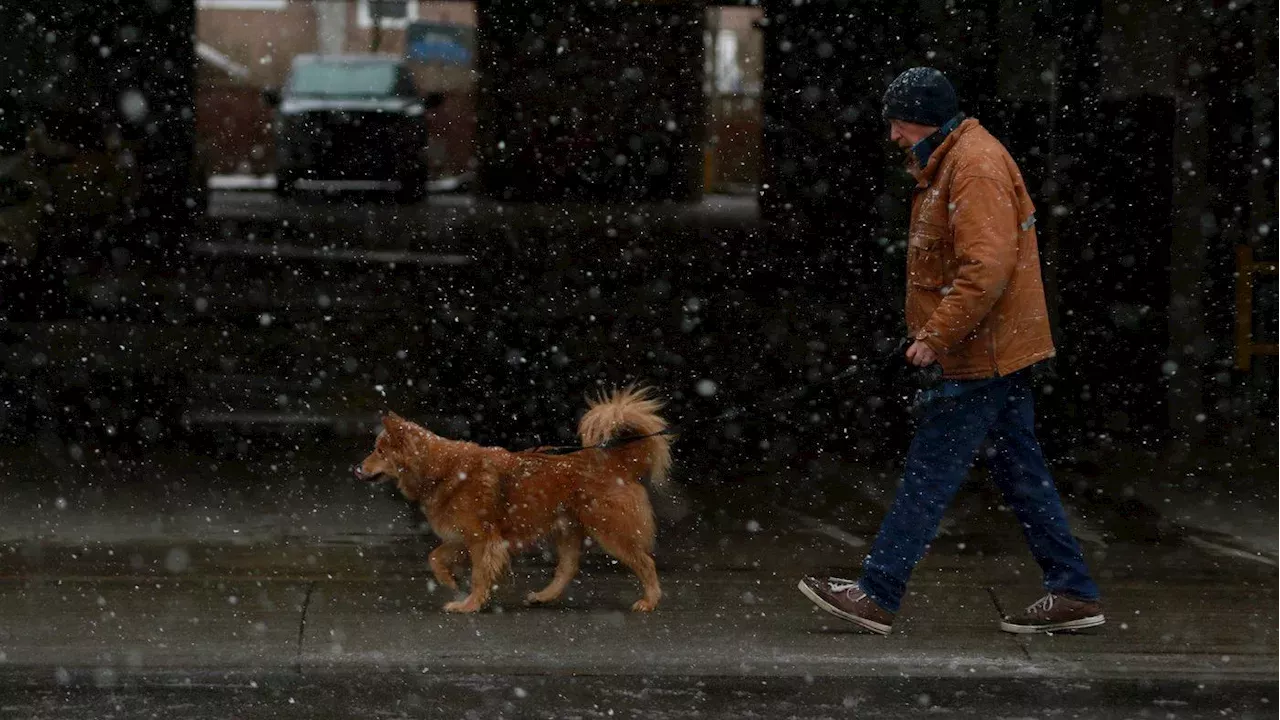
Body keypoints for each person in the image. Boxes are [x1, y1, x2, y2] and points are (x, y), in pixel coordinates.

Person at [797, 67, 1102, 635]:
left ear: (920, 118)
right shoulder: (952, 160)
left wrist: (934, 337)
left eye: (896, 122)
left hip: (979, 353)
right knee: (1021, 473)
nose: (891, 135)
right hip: (993, 348)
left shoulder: (973, 167)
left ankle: (877, 593)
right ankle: (1074, 591)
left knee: (929, 473)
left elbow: (985, 269)